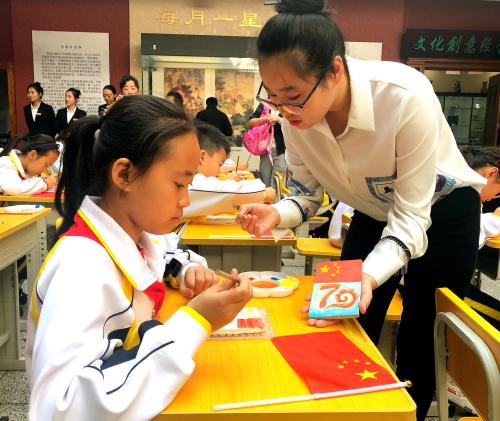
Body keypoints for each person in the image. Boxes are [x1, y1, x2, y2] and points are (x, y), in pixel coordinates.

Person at [236, 1, 485, 419]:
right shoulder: (295, 118)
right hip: (372, 213)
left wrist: (368, 275)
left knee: (420, 336)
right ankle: (345, 408)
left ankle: (410, 411)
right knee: (339, 319)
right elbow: (306, 194)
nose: (284, 110)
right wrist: (277, 213)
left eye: (293, 96)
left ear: (335, 70)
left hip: (442, 214)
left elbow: (411, 218)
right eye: (273, 96)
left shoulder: (405, 96)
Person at [26, 95, 252, 419]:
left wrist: (188, 270)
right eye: (178, 184)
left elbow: (170, 252)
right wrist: (195, 322)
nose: (185, 200)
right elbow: (60, 408)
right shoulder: (82, 269)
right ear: (125, 175)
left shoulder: (138, 235)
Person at [183, 121, 275, 219]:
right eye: (219, 164)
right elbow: (216, 189)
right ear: (201, 157)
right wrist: (263, 192)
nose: (219, 172)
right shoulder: (189, 183)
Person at [460, 146, 500, 248]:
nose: (493, 198)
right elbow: (471, 238)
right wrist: (495, 219)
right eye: (498, 193)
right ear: (491, 174)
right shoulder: (461, 193)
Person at [248, 102, 286, 187]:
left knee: (277, 183)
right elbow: (250, 123)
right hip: (265, 150)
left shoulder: (287, 105)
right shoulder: (264, 105)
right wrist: (264, 119)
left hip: (282, 150)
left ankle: (276, 200)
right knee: (264, 181)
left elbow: (292, 125)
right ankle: (265, 199)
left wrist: (278, 119)